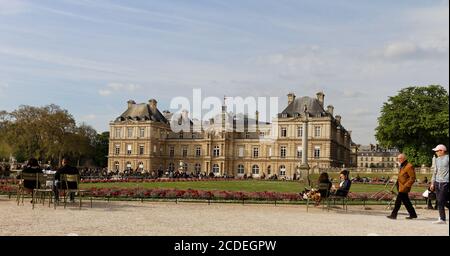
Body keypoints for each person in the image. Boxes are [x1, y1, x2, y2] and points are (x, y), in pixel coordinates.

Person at [387, 154, 418, 220]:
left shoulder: (409, 166)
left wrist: (406, 186)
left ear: (403, 158)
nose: (398, 160)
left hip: (404, 187)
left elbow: (412, 178)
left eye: (399, 158)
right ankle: (413, 214)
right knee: (406, 201)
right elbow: (402, 176)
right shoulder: (402, 165)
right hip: (400, 186)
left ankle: (394, 214)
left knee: (398, 201)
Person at [430, 144, 449, 224]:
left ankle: (442, 219)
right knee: (440, 200)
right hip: (437, 182)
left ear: (442, 151)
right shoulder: (437, 159)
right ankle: (441, 217)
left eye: (437, 151)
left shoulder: (448, 158)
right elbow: (435, 171)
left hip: (445, 181)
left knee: (441, 200)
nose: (436, 152)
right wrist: (432, 183)